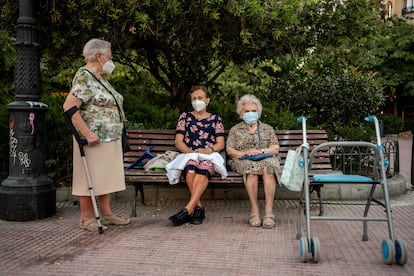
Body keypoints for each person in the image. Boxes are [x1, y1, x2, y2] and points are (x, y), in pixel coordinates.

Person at [63, 38, 130, 232]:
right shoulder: (84, 76)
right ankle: (86, 218)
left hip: (110, 137)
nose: (111, 61)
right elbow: (69, 107)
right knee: (89, 177)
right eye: (109, 57)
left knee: (105, 177)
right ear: (99, 56)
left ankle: (107, 213)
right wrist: (87, 133)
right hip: (94, 138)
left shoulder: (100, 78)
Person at [167, 86, 226, 226]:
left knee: (203, 167)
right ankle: (198, 208)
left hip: (209, 156)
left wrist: (208, 151)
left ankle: (188, 209)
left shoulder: (215, 119)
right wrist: (190, 153)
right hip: (189, 155)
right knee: (191, 167)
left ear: (207, 100)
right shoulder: (185, 117)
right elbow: (178, 141)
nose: (197, 101)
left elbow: (221, 143)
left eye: (200, 98)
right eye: (194, 98)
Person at [226, 94, 281, 229]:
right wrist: (245, 153)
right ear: (241, 114)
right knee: (251, 169)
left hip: (264, 157)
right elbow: (230, 150)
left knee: (268, 167)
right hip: (242, 159)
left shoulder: (267, 128)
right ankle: (254, 211)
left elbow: (275, 148)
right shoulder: (235, 130)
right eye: (247, 111)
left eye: (254, 111)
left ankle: (269, 212)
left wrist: (260, 152)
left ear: (259, 113)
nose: (250, 113)